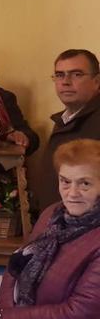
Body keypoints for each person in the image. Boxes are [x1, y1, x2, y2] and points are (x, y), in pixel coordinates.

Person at [0, 139, 100, 318]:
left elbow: (79, 312)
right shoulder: (52, 213)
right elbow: (15, 267)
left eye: (85, 184)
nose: (72, 193)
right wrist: (4, 310)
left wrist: (9, 317)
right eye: (65, 181)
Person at [34, 49, 100, 211]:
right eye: (59, 75)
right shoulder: (64, 120)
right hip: (58, 222)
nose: (65, 81)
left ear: (97, 81)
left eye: (76, 74)